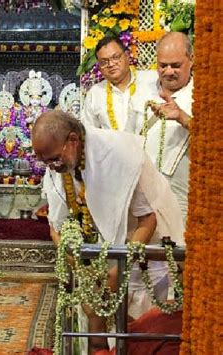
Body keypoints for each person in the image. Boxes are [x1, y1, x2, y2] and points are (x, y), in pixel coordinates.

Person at [34, 111, 184, 354]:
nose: (51, 167)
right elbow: (56, 227)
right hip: (102, 250)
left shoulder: (119, 155)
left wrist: (117, 271)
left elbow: (148, 218)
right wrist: (82, 269)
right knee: (95, 319)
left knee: (137, 331)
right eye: (45, 162)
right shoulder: (59, 164)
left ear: (73, 140)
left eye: (53, 159)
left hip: (144, 249)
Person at [131, 32, 193, 224]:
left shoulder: (206, 93)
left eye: (175, 65)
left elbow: (215, 142)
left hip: (180, 190)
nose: (168, 71)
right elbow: (127, 136)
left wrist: (183, 118)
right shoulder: (141, 89)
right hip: (141, 188)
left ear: (192, 60)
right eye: (162, 65)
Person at [82, 36, 157, 132]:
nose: (111, 64)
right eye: (104, 62)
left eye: (115, 57)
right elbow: (88, 132)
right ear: (99, 67)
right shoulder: (95, 93)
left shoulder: (151, 80)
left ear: (127, 56)